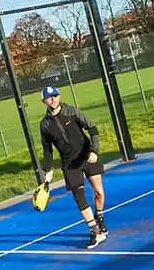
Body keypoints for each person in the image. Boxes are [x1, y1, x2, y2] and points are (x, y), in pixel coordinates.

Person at [38, 85, 108, 249]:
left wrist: (94, 151)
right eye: (49, 97)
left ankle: (99, 216)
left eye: (55, 95)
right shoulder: (45, 125)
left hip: (87, 156)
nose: (53, 99)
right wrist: (48, 172)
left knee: (98, 192)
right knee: (79, 197)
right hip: (69, 164)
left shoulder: (72, 112)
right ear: (44, 101)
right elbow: (47, 150)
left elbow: (92, 129)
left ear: (59, 96)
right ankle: (94, 231)